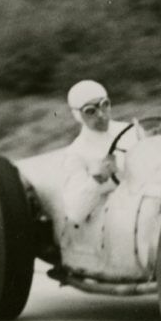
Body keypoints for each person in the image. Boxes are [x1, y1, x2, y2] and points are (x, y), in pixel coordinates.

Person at [62, 80, 129, 224]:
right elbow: (75, 213)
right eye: (90, 111)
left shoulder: (131, 130)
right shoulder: (75, 154)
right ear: (78, 115)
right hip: (116, 218)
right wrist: (97, 179)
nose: (100, 114)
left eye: (104, 105)